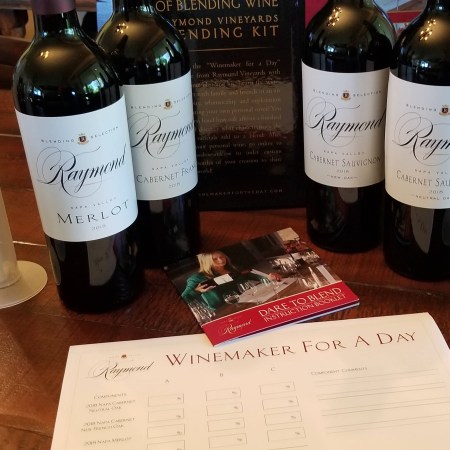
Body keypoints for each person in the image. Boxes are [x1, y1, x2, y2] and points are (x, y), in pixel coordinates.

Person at [181, 251, 279, 310]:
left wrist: (267, 277)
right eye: (215, 259)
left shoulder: (233, 268)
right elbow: (183, 299)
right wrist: (196, 291)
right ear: (207, 262)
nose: (221, 260)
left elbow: (249, 275)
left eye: (221, 256)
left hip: (246, 301)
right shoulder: (196, 278)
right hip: (223, 310)